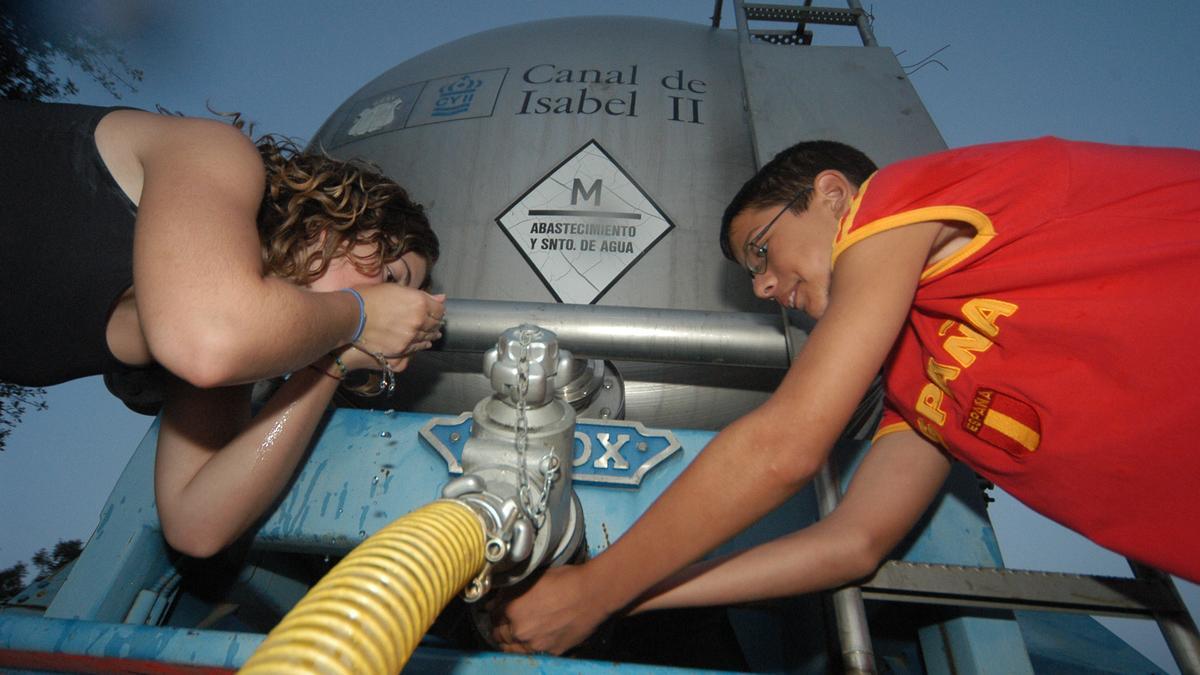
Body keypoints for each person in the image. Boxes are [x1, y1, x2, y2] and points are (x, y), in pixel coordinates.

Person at [494, 136, 1200, 654]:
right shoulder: (916, 389)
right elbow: (850, 543)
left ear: (833, 195)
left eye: (762, 251)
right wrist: (622, 595)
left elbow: (787, 446)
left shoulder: (903, 198)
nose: (764, 287)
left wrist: (595, 589)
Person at [0, 99, 445, 558]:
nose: (387, 300)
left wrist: (330, 364)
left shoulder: (219, 337)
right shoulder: (212, 152)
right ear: (350, 216)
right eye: (391, 277)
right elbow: (212, 343)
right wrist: (361, 315)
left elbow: (197, 524)